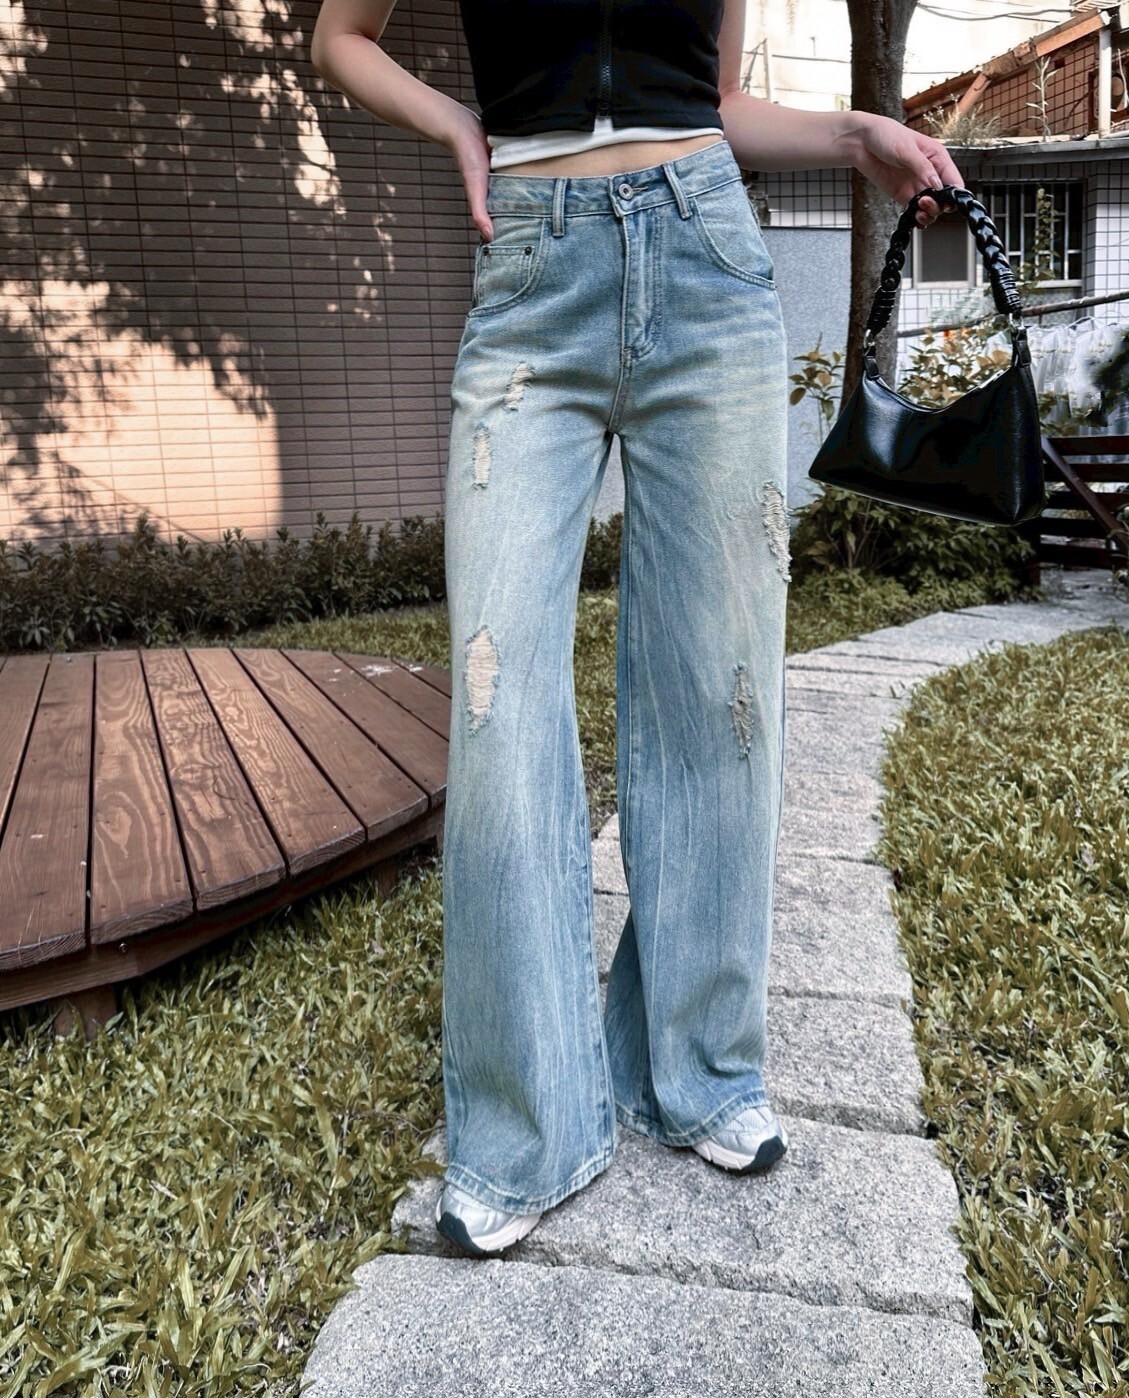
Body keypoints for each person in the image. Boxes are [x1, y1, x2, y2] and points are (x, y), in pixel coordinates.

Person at [310, 0, 964, 1258]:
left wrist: (852, 134)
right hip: (531, 274)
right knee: (498, 704)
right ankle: (524, 1130)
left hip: (707, 260)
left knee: (721, 692)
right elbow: (341, 37)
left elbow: (714, 102)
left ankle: (700, 1070)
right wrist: (457, 125)